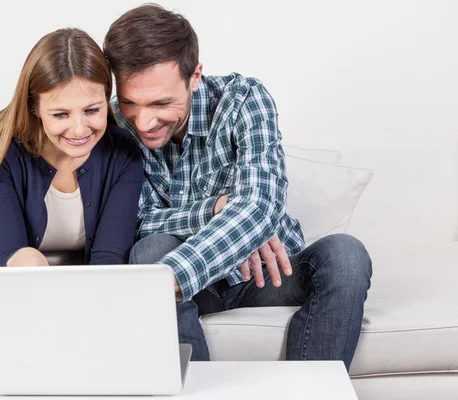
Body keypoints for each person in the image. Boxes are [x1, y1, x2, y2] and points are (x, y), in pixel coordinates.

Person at [103, 4, 372, 370]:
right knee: (150, 249)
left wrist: (173, 279)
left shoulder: (244, 99)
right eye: (131, 102)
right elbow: (137, 222)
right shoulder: (114, 122)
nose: (144, 121)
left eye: (161, 103)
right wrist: (219, 211)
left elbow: (259, 205)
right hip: (196, 289)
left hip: (266, 274)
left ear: (194, 75)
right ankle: (198, 392)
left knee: (346, 256)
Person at [0, 28, 144, 359]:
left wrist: (92, 321)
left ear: (108, 99)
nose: (79, 129)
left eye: (92, 110)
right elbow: (17, 259)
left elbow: (108, 263)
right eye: (60, 114)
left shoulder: (123, 154)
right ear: (34, 106)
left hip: (77, 309)